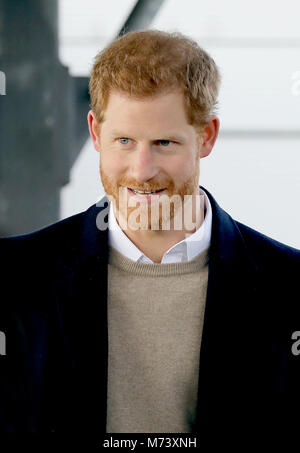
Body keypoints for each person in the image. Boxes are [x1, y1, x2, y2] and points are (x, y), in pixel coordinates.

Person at [0, 29, 299, 446]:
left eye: (164, 143)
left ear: (207, 136)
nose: (141, 170)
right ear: (94, 132)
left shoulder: (289, 285)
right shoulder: (13, 279)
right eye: (124, 141)